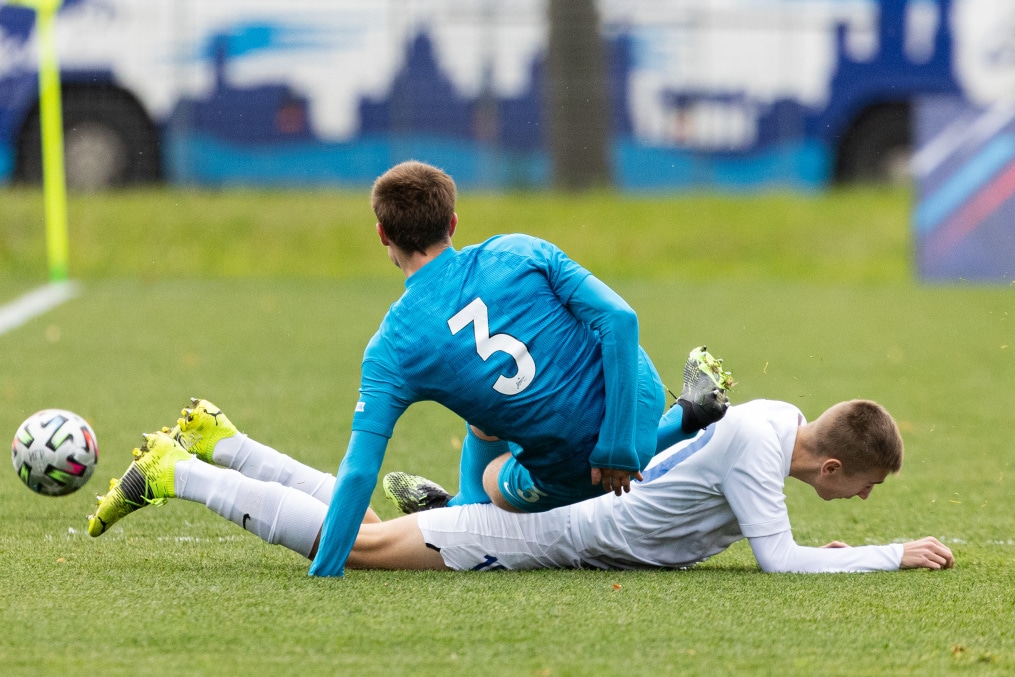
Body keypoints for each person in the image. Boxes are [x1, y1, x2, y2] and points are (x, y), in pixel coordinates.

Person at [260, 159, 730, 576]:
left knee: (494, 487)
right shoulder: (520, 250)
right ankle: (688, 412)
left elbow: (360, 472)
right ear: (453, 222)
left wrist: (326, 569)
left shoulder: (392, 346)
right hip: (639, 392)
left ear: (383, 235)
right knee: (487, 413)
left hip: (579, 468)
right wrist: (620, 436)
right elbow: (620, 321)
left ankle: (456, 507)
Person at [87, 398, 954, 574]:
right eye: (868, 490)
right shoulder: (764, 453)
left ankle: (226, 442)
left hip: (575, 512)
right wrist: (887, 554)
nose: (868, 504)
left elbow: (759, 529)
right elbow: (777, 562)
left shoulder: (770, 419)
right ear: (832, 467)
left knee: (380, 524)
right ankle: (182, 473)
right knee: (365, 546)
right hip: (563, 528)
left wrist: (814, 544)